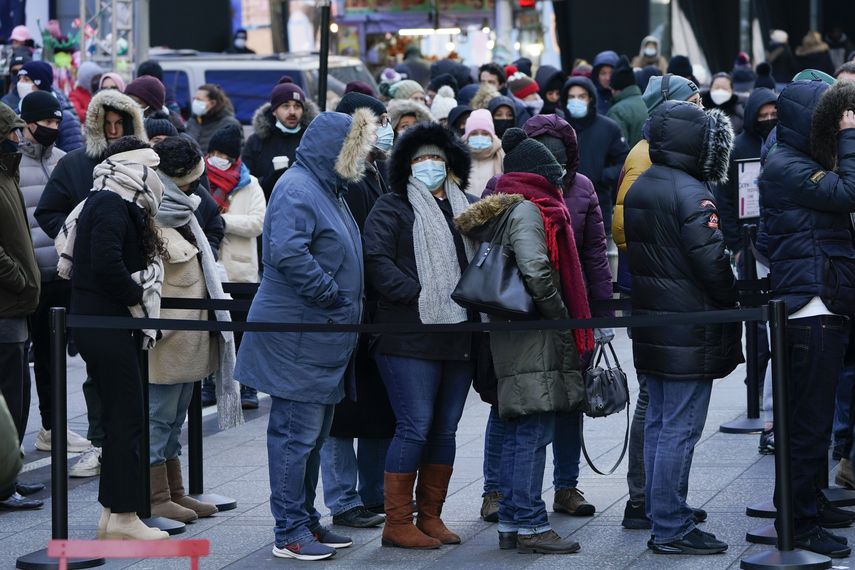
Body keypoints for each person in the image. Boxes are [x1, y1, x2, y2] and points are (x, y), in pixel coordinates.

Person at [234, 108, 377, 561]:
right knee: (296, 435)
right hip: (300, 335)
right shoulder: (299, 187)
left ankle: (305, 519)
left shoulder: (325, 187)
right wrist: (331, 295)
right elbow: (288, 253)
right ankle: (290, 530)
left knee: (312, 437)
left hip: (321, 335)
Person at [457, 128, 590, 555]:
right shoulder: (530, 211)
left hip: (513, 333)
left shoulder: (504, 208)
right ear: (538, 175)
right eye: (553, 175)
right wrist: (560, 316)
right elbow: (536, 270)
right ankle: (531, 523)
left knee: (519, 430)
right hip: (535, 334)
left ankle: (514, 520)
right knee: (534, 430)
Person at [624, 100, 739, 555]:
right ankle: (670, 525)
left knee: (658, 422)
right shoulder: (693, 191)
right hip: (689, 325)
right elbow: (711, 262)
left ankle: (663, 508)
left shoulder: (643, 185)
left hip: (654, 320)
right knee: (680, 426)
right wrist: (731, 290)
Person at [363, 122, 476, 550]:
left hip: (460, 331)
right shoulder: (392, 206)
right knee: (414, 426)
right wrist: (420, 293)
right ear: (406, 167)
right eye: (419, 159)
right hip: (408, 332)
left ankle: (430, 516)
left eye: (436, 158)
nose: (429, 166)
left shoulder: (468, 207)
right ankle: (397, 522)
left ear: (450, 163)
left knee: (445, 429)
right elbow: (376, 259)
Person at [760, 79, 855, 558]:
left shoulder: (797, 161)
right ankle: (798, 523)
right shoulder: (784, 164)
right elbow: (849, 192)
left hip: (821, 303)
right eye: (833, 121)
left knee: (810, 422)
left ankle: (808, 504)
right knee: (807, 426)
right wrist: (850, 136)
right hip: (810, 309)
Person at [610, 75, 708, 529]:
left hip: (655, 289)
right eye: (691, 102)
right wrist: (660, 260)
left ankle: (656, 499)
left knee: (659, 406)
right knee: (659, 406)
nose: (700, 108)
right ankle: (647, 499)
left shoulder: (661, 155)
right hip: (660, 293)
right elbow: (625, 227)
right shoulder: (646, 156)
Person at [35, 88, 148, 477]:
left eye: (122, 125)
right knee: (98, 372)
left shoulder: (145, 168)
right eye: (108, 125)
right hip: (94, 286)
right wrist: (75, 236)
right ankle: (102, 442)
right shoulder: (77, 165)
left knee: (135, 378)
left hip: (136, 283)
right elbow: (49, 211)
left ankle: (136, 455)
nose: (115, 132)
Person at [61, 136, 169, 540]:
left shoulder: (110, 196)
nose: (155, 177)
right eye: (151, 167)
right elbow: (105, 262)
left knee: (124, 416)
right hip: (107, 322)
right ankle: (124, 516)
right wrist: (136, 297)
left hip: (102, 322)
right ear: (135, 167)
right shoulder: (111, 201)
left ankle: (113, 515)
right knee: (127, 419)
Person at [147, 135, 243, 523]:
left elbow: (212, 234)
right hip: (165, 338)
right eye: (191, 180)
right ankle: (154, 498)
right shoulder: (150, 212)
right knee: (158, 417)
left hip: (189, 337)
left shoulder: (184, 210)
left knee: (174, 420)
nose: (197, 187)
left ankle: (174, 492)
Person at [318, 92, 394, 529]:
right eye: (378, 119)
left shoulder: (376, 166)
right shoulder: (340, 174)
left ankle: (373, 493)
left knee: (376, 406)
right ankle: (343, 500)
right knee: (341, 414)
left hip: (374, 307)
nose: (384, 125)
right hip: (347, 306)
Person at [18, 91, 91, 454]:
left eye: (57, 122)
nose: (52, 128)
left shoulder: (64, 161)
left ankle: (52, 427)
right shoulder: (11, 165)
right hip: (23, 277)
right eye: (46, 122)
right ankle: (13, 438)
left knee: (51, 359)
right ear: (27, 122)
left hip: (59, 275)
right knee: (16, 364)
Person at [205, 124, 267, 409]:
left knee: (244, 330)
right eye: (214, 152)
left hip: (241, 270)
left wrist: (222, 222)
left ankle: (248, 387)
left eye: (224, 154)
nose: (218, 158)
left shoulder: (249, 183)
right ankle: (209, 381)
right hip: (210, 265)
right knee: (210, 328)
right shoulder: (200, 179)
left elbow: (257, 223)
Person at [0, 102, 42, 511]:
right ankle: (2, 482)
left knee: (19, 393)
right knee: (8, 398)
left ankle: (10, 473)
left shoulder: (7, 174)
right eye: (13, 132)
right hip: (5, 307)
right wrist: (19, 278)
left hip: (17, 305)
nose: (21, 138)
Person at [560, 76, 629, 235]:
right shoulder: (558, 126)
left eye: (581, 96)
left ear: (590, 98)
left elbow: (624, 162)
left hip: (597, 205)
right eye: (572, 97)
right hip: (563, 207)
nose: (576, 100)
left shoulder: (608, 127)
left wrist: (602, 176)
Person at [242, 79, 318, 200]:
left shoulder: (311, 139)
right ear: (274, 111)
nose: (292, 112)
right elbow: (245, 181)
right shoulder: (256, 141)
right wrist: (268, 181)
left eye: (297, 106)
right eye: (286, 106)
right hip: (267, 208)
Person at [14, 61, 83, 153]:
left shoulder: (66, 119)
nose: (20, 84)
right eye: (19, 79)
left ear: (40, 83)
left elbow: (74, 157)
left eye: (26, 79)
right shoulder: (15, 114)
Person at [186, 83, 242, 154]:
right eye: (194, 99)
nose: (195, 102)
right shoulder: (193, 121)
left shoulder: (229, 124)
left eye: (199, 100)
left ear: (212, 103)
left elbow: (235, 154)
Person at [607, 55, 648, 147]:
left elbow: (617, 148)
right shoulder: (649, 103)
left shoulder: (617, 111)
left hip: (631, 161)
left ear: (615, 89)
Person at [463, 108, 503, 197]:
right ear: (467, 136)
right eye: (474, 133)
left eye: (485, 133)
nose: (479, 136)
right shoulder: (458, 156)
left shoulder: (501, 154)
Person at [591, 50, 619, 115]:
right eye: (603, 73)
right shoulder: (591, 99)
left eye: (611, 73)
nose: (608, 78)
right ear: (596, 76)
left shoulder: (625, 95)